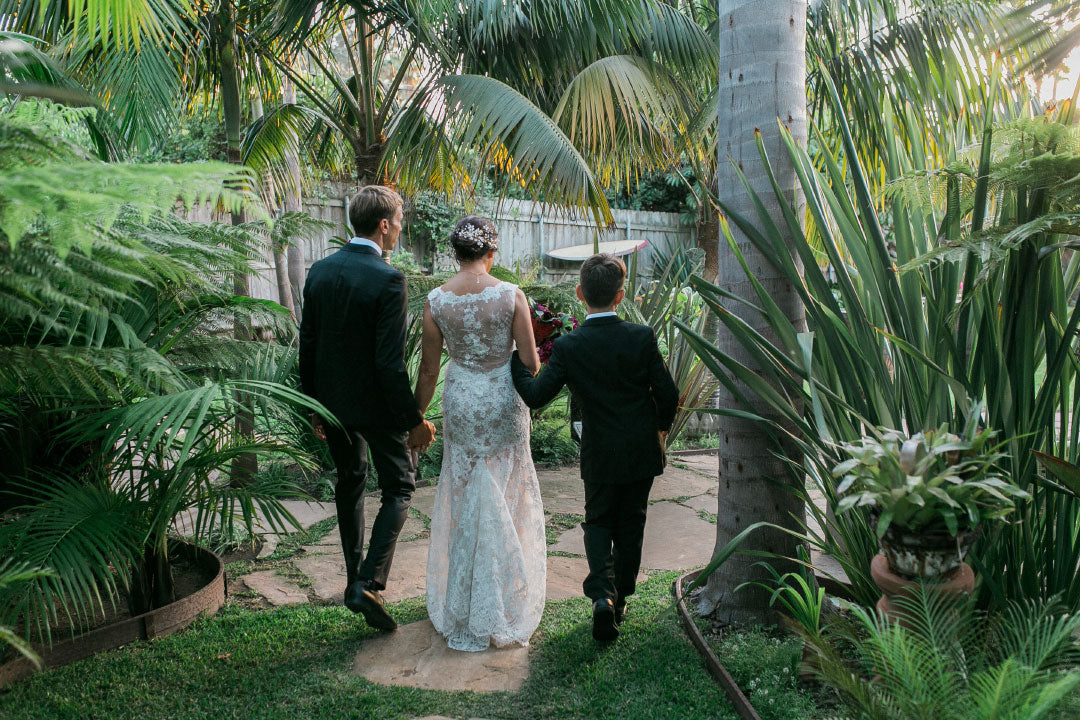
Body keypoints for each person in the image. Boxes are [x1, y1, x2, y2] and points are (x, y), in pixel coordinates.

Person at [510, 253, 679, 642]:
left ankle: (602, 596)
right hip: (640, 449)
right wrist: (660, 431)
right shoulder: (642, 336)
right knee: (632, 522)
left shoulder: (570, 346)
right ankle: (620, 601)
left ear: (579, 293)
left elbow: (535, 395)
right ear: (620, 296)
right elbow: (667, 394)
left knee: (599, 520)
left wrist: (515, 362)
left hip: (599, 451)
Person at [299, 185, 435, 632]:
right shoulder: (389, 279)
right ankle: (368, 582)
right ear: (383, 224)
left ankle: (355, 575)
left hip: (334, 407)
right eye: (398, 221)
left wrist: (314, 407)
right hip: (378, 409)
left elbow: (310, 347)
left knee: (350, 481)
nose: (400, 228)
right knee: (400, 487)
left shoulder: (319, 272)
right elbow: (389, 364)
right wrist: (412, 420)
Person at [414, 216, 547, 651]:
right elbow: (529, 362)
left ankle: (466, 599)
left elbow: (430, 370)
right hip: (502, 402)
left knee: (466, 489)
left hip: (463, 401)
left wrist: (417, 416)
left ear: (456, 253)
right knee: (507, 491)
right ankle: (505, 598)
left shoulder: (436, 301)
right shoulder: (511, 295)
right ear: (492, 253)